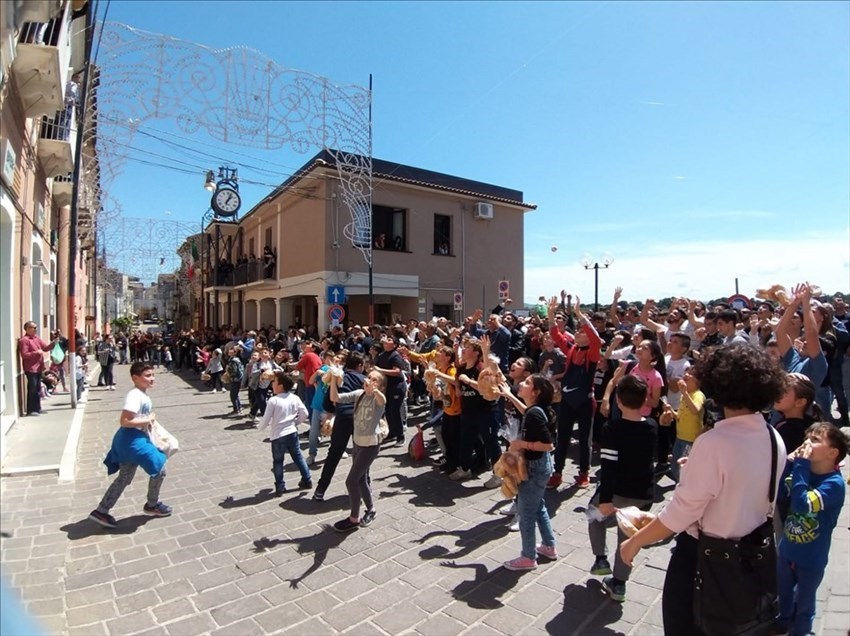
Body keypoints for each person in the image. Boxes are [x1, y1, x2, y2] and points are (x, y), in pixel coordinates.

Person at [619, 343, 787, 635]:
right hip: (753, 552)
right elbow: (743, 481)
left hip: (703, 557)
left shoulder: (714, 443)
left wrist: (633, 543)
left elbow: (679, 514)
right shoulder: (773, 436)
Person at [587, 374, 657, 602]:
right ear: (645, 399)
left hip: (616, 492)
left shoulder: (612, 427)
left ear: (618, 400)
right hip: (641, 493)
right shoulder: (652, 427)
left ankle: (600, 559)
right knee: (626, 538)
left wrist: (605, 498)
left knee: (593, 515)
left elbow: (608, 466)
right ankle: (619, 584)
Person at [776, 423, 847, 636]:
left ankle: (802, 630)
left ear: (832, 453)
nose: (807, 443)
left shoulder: (833, 484)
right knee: (784, 593)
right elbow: (779, 493)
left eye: (815, 440)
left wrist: (800, 466)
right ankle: (783, 620)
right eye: (807, 437)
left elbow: (802, 504)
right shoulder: (801, 472)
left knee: (805, 601)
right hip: (788, 548)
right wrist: (788, 463)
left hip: (811, 557)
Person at [88, 362, 172, 528]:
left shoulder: (142, 394)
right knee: (159, 469)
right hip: (132, 441)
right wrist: (148, 419)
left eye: (152, 375)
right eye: (147, 376)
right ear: (135, 378)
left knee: (125, 477)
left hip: (131, 439)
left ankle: (101, 510)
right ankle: (152, 505)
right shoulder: (134, 395)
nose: (152, 379)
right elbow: (125, 421)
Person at [498, 374, 557, 571]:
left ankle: (528, 557)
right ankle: (549, 545)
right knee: (538, 506)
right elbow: (526, 411)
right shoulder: (535, 410)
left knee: (526, 513)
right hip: (542, 467)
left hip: (535, 468)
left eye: (527, 383)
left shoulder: (535, 414)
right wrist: (508, 394)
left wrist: (521, 444)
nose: (522, 384)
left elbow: (548, 445)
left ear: (536, 392)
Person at [329, 369, 387, 532]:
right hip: (357, 442)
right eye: (369, 377)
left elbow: (382, 401)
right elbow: (335, 398)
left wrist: (374, 390)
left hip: (371, 444)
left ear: (380, 386)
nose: (370, 381)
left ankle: (354, 518)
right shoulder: (359, 394)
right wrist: (333, 379)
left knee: (351, 481)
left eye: (375, 380)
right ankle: (371, 510)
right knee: (361, 479)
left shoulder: (378, 398)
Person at [313, 353, 366, 502]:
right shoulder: (364, 380)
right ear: (360, 366)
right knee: (361, 455)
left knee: (334, 454)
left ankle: (320, 490)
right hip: (359, 418)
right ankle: (364, 489)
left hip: (342, 416)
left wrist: (331, 415)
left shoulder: (337, 377)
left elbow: (328, 402)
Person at [258, 371, 311, 496]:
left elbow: (266, 419)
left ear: (281, 385)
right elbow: (305, 414)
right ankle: (307, 479)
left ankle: (280, 486)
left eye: (274, 382)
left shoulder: (273, 400)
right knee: (298, 457)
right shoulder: (294, 397)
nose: (272, 384)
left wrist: (260, 427)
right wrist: (296, 423)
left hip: (278, 435)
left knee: (278, 461)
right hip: (292, 432)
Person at [18, 321, 56, 416]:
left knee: (38, 388)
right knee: (33, 389)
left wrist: (54, 343)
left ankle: (37, 408)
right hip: (30, 368)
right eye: (33, 327)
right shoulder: (24, 340)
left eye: (36, 327)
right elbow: (24, 355)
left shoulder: (36, 338)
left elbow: (45, 348)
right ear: (27, 329)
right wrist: (36, 353)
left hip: (38, 368)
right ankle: (31, 410)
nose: (35, 329)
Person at [226, 346, 244, 415]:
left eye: (231, 349)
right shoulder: (235, 359)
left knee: (233, 395)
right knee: (235, 395)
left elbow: (234, 371)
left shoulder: (233, 360)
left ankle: (236, 409)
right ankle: (239, 407)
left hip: (235, 379)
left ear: (235, 352)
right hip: (238, 379)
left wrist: (229, 375)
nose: (229, 350)